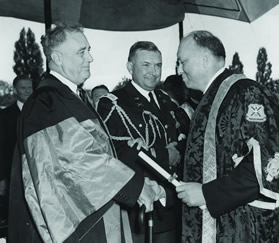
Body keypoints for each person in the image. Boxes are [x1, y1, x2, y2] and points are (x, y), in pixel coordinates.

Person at [8, 24, 161, 243]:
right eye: (82, 52)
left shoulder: (70, 97)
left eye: (88, 50)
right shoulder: (46, 102)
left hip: (95, 212)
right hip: (75, 225)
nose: (90, 58)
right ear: (57, 57)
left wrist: (138, 182)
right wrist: (134, 187)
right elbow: (76, 160)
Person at [175, 30, 279, 242]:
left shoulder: (246, 94)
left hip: (244, 228)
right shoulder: (213, 97)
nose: (179, 70)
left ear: (204, 59)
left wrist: (208, 194)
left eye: (182, 61)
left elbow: (269, 165)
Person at [97, 41, 182, 243]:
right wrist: (165, 155)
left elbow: (182, 139)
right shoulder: (113, 103)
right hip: (139, 208)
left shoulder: (165, 100)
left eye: (158, 65)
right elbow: (115, 153)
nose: (153, 72)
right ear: (130, 67)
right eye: (146, 65)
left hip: (171, 202)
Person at [0, 75, 33, 224]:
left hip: (36, 173)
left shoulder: (41, 113)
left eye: (30, 87)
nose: (27, 91)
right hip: (13, 175)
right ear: (15, 90)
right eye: (23, 88)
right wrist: (2, 179)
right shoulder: (4, 115)